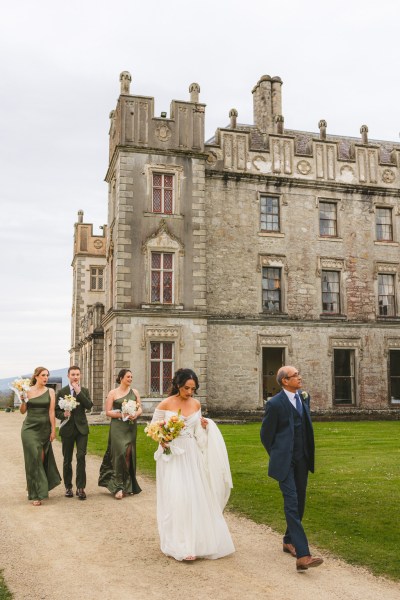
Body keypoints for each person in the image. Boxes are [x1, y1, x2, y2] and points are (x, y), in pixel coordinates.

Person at [151, 368, 235, 561]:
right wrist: (162, 439)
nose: (189, 392)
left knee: (194, 496)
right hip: (173, 456)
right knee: (178, 497)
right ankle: (180, 545)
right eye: (186, 388)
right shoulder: (166, 403)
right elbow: (153, 428)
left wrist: (206, 427)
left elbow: (198, 433)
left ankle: (197, 543)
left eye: (193, 389)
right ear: (178, 385)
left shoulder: (196, 404)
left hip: (192, 454)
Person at [260, 365, 323, 571]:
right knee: (292, 502)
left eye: (298, 374)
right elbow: (266, 435)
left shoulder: (303, 397)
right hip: (284, 462)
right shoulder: (275, 404)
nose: (299, 377)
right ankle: (303, 554)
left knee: (301, 501)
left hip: (302, 459)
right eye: (294, 375)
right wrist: (278, 455)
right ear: (284, 381)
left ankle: (288, 540)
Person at [98, 368, 143, 498]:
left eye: (131, 377)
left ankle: (127, 484)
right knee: (119, 454)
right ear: (121, 378)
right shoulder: (113, 393)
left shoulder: (135, 392)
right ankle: (117, 486)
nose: (130, 379)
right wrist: (122, 414)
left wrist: (135, 414)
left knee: (128, 454)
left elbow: (139, 407)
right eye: (128, 377)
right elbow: (108, 412)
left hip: (130, 427)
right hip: (118, 427)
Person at [20, 367, 61, 506]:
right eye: (43, 375)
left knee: (41, 459)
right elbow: (22, 411)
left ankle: (34, 485)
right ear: (36, 376)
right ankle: (36, 493)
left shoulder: (50, 391)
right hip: (29, 430)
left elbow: (51, 412)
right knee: (35, 458)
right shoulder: (27, 390)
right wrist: (23, 400)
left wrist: (53, 430)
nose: (46, 378)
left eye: (47, 375)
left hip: (44, 430)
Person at [56, 365, 93, 500]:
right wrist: (63, 414)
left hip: (82, 429)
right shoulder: (62, 392)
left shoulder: (84, 390)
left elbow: (89, 406)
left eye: (77, 374)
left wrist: (79, 392)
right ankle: (68, 487)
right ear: (68, 376)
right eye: (73, 374)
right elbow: (56, 411)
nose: (75, 377)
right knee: (67, 459)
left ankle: (80, 487)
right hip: (67, 429)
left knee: (81, 457)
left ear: (80, 376)